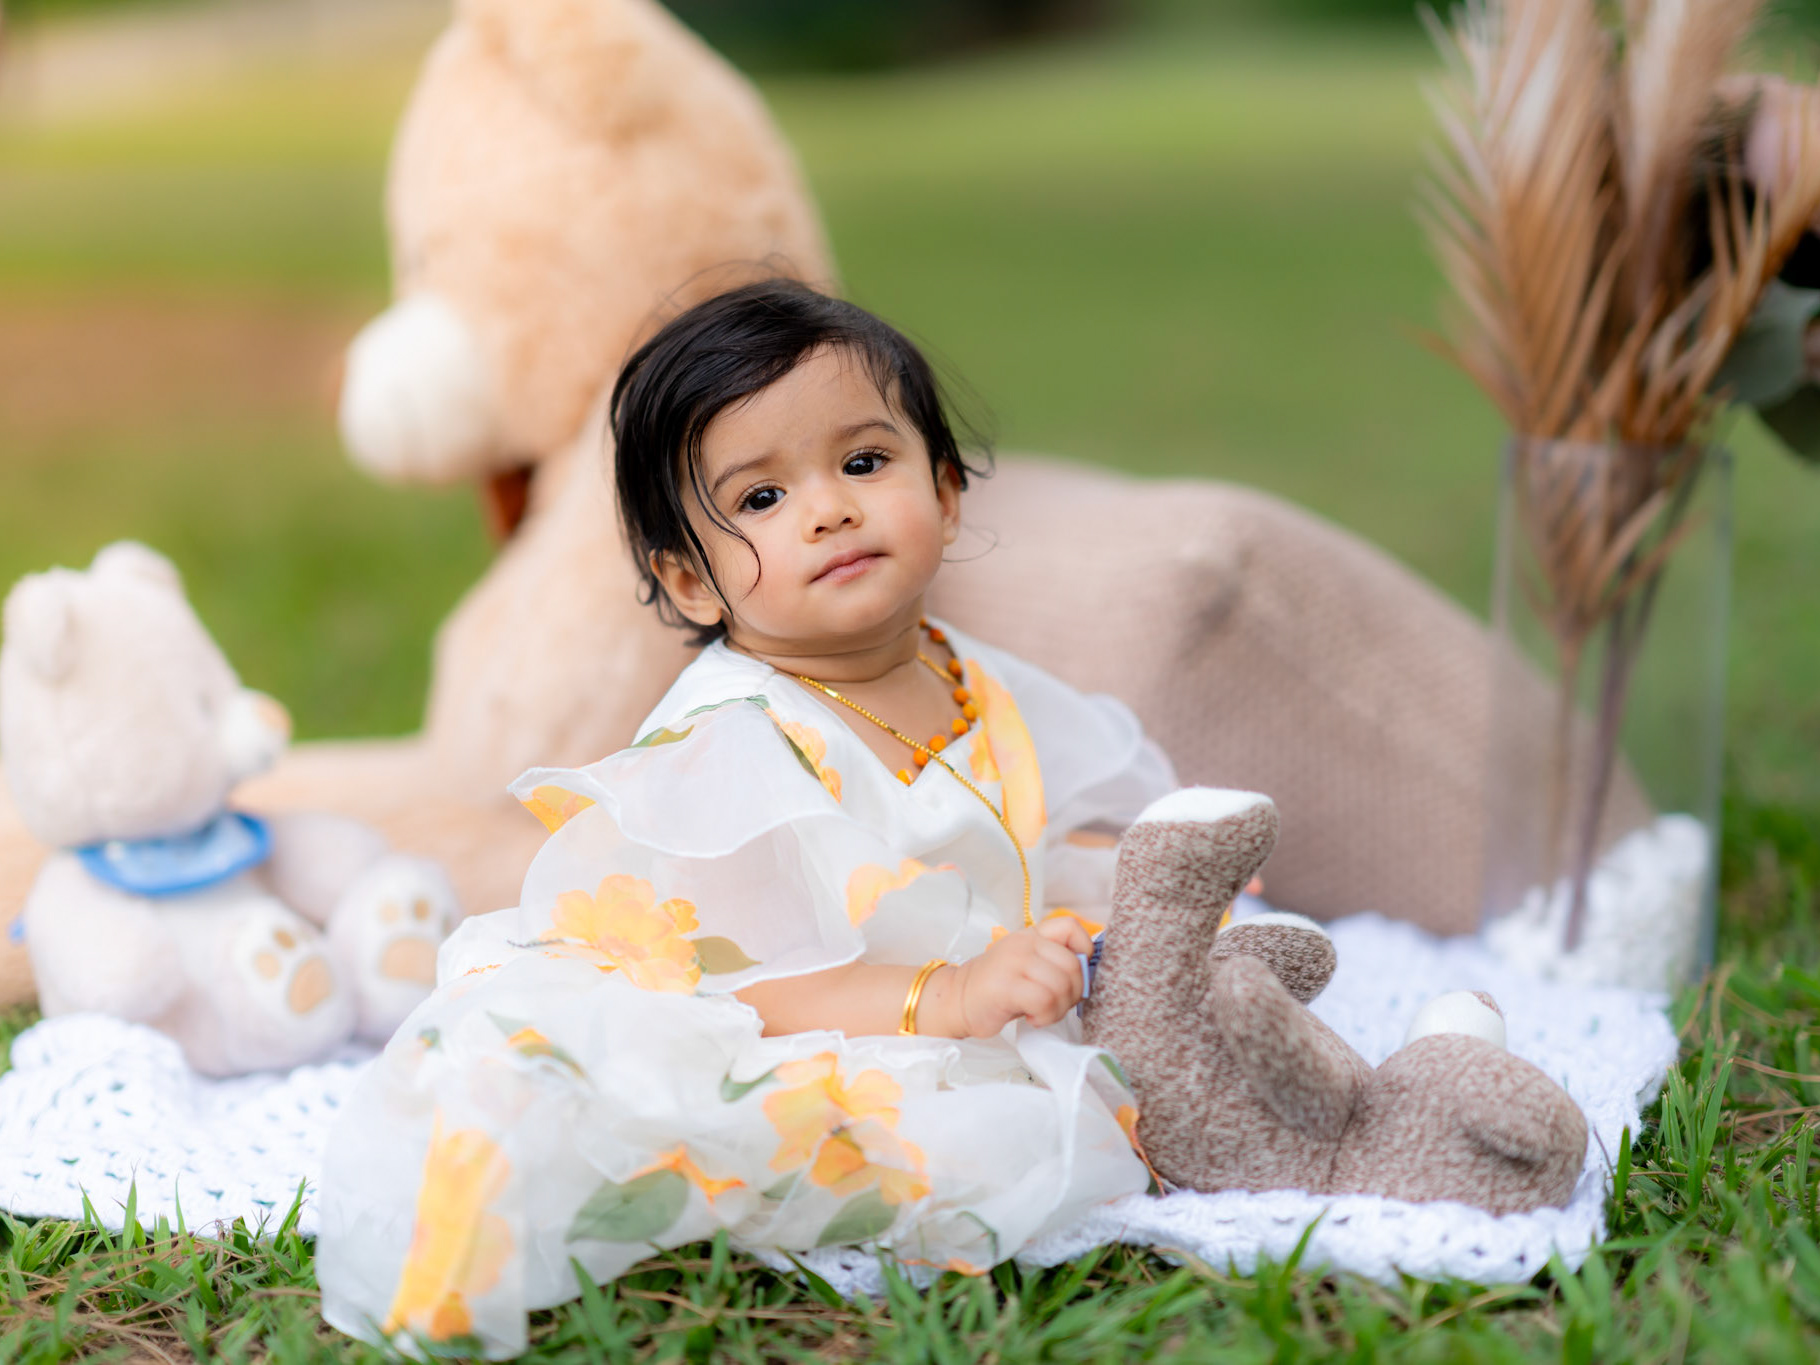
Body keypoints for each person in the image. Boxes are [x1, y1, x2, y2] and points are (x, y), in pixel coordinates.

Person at [317, 279, 1213, 1356]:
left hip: (930, 982)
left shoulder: (962, 670)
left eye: (863, 463)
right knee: (954, 1137)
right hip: (769, 1007)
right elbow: (754, 982)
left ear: (944, 491)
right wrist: (952, 992)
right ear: (691, 581)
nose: (827, 509)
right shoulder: (735, 741)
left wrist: (1120, 879)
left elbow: (1016, 823)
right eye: (761, 498)